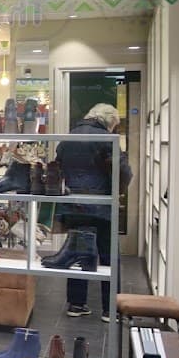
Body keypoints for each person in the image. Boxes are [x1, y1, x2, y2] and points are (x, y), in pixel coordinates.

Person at [55, 103, 132, 321]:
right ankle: (110, 309)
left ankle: (76, 304)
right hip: (102, 207)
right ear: (109, 122)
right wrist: (117, 191)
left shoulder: (69, 137)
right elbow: (124, 173)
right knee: (109, 257)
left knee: (78, 254)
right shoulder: (107, 139)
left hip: (74, 206)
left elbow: (58, 166)